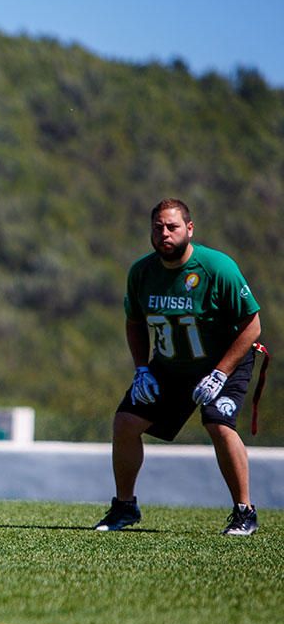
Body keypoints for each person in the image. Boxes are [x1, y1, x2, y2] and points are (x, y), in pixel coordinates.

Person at [94, 198, 262, 536]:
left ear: (189, 229)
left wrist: (220, 373)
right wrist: (141, 368)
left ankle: (245, 512)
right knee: (125, 422)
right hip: (170, 366)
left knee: (218, 423)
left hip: (223, 362)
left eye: (172, 227)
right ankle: (125, 507)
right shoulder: (142, 273)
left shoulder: (217, 268)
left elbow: (252, 325)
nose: (165, 234)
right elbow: (135, 322)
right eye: (158, 228)